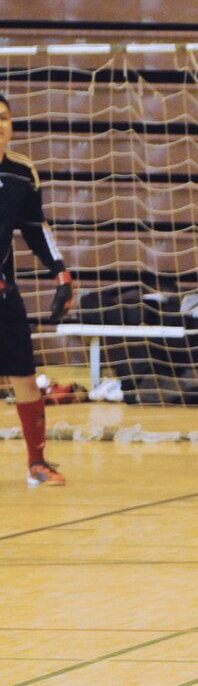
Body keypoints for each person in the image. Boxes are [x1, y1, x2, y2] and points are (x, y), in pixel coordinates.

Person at [0, 93, 76, 486]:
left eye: (4, 117)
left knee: (25, 377)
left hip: (4, 293)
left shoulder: (21, 173)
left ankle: (37, 463)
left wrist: (60, 272)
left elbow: (35, 230)